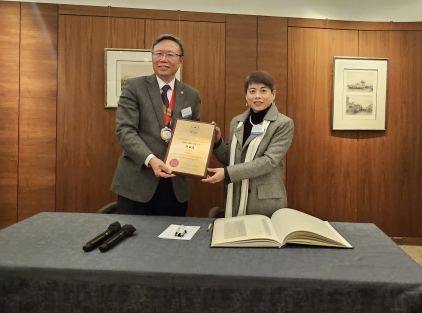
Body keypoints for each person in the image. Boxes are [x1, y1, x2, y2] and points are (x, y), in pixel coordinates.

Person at [111, 34, 201, 216]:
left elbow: (193, 133)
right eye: (158, 53)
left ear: (180, 60)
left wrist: (206, 137)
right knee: (133, 241)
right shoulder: (133, 87)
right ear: (151, 57)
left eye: (170, 55)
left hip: (175, 183)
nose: (163, 59)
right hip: (138, 181)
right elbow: (125, 131)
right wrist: (151, 159)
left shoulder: (191, 94)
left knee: (170, 241)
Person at [202, 71, 294, 218]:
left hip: (265, 202)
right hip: (236, 197)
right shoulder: (237, 122)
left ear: (273, 94)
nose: (257, 96)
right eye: (252, 91)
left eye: (263, 91)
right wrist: (218, 142)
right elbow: (232, 160)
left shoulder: (283, 124)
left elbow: (269, 162)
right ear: (246, 96)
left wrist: (226, 174)